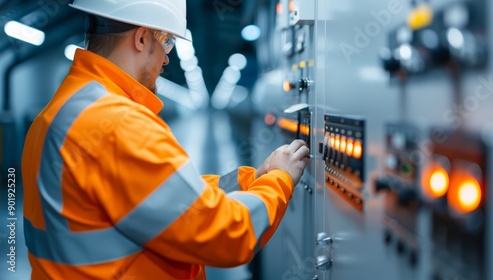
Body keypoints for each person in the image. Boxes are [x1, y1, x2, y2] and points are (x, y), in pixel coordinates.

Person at [21, 0, 310, 279]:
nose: (168, 56)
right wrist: (279, 180)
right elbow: (226, 234)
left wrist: (252, 178)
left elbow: (161, 196)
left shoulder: (58, 111)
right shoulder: (119, 123)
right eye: (168, 41)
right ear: (142, 38)